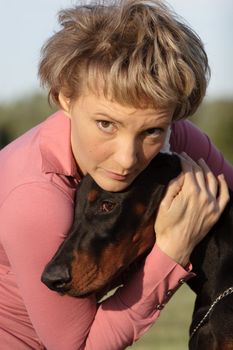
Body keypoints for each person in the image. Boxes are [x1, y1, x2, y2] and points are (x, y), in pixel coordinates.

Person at [0, 0, 232, 349]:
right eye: (106, 124)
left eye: (152, 130)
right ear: (66, 96)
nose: (127, 158)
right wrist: (171, 250)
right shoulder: (34, 195)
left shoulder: (176, 140)